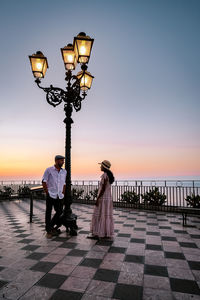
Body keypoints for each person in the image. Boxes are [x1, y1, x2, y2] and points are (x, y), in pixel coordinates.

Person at [88, 160, 115, 240]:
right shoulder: (109, 175)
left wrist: (98, 199)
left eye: (101, 166)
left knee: (99, 214)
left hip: (103, 198)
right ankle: (105, 233)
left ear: (104, 167)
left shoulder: (104, 175)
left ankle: (98, 233)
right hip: (108, 198)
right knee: (105, 214)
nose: (100, 167)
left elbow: (102, 189)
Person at [42, 155, 67, 238]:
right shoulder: (49, 170)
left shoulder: (64, 172)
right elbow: (44, 181)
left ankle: (51, 225)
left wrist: (63, 192)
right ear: (56, 161)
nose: (63, 162)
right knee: (48, 212)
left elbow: (64, 183)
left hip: (59, 196)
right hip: (51, 194)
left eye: (63, 160)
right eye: (61, 160)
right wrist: (47, 192)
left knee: (60, 211)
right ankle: (48, 230)